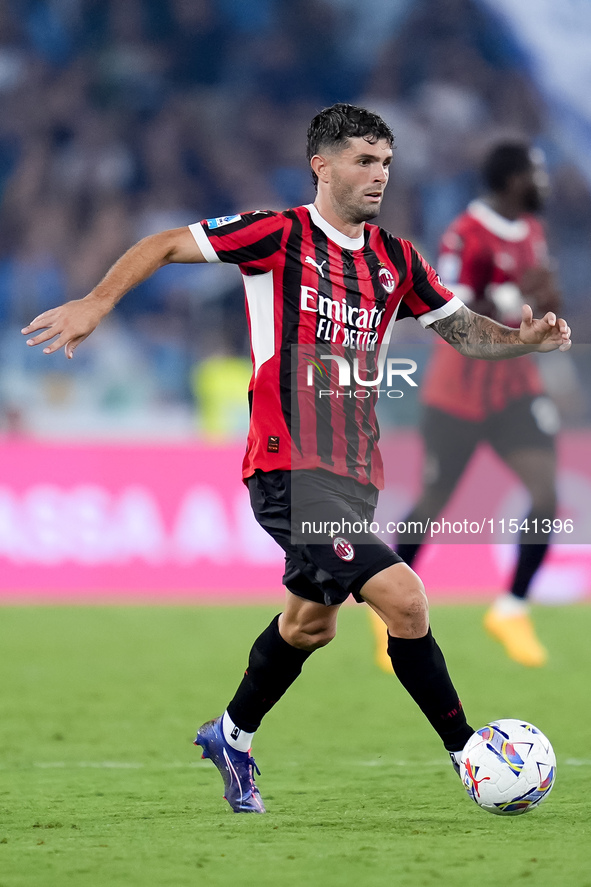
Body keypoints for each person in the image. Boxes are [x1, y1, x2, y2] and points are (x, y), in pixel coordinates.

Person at [22, 105, 571, 814]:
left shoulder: (395, 260)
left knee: (309, 624)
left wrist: (518, 340)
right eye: (364, 161)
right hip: (286, 470)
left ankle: (230, 734)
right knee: (404, 599)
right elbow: (162, 244)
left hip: (353, 479)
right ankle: (471, 752)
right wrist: (97, 302)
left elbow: (461, 331)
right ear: (322, 164)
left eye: (386, 163)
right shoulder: (276, 236)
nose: (379, 175)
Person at [390, 142, 562, 670]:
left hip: (515, 388)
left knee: (546, 496)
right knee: (432, 503)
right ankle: (389, 609)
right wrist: (510, 298)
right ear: (512, 180)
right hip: (459, 391)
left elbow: (542, 303)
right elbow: (450, 314)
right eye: (536, 172)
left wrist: (546, 314)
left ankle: (511, 610)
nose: (545, 182)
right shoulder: (465, 234)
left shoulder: (533, 230)